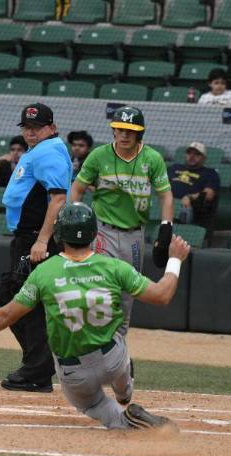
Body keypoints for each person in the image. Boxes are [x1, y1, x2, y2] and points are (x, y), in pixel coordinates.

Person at [0, 202, 191, 430]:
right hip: (113, 358)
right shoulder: (115, 267)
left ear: (58, 235)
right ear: (94, 233)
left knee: (94, 405)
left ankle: (124, 420)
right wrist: (175, 260)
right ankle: (124, 391)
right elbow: (162, 295)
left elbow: (7, 314)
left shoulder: (44, 272)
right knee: (119, 339)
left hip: (74, 372)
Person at [69, 106, 174, 339]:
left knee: (127, 294)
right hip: (102, 231)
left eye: (130, 130)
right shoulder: (99, 155)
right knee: (98, 287)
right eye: (120, 129)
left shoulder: (152, 158)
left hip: (134, 235)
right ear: (114, 131)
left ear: (139, 133)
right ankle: (92, 341)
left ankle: (118, 345)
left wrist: (166, 228)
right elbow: (77, 188)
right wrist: (74, 218)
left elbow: (165, 195)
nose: (124, 134)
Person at [0, 103, 72, 393]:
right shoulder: (39, 150)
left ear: (52, 127)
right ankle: (37, 366)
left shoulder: (48, 151)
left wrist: (42, 240)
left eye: (37, 127)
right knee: (15, 294)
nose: (31, 132)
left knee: (21, 297)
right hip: (27, 238)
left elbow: (58, 199)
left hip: (35, 239)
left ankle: (38, 369)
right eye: (27, 127)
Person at [167, 142, 219, 229]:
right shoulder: (174, 167)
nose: (192, 156)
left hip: (187, 207)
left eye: (197, 154)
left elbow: (209, 194)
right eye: (189, 153)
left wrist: (190, 197)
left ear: (204, 158)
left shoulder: (210, 173)